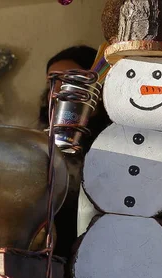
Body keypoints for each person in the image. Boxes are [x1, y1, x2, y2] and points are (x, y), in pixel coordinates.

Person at [37, 46, 112, 259]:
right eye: (53, 81)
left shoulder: (114, 142)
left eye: (70, 80)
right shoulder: (40, 142)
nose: (58, 90)